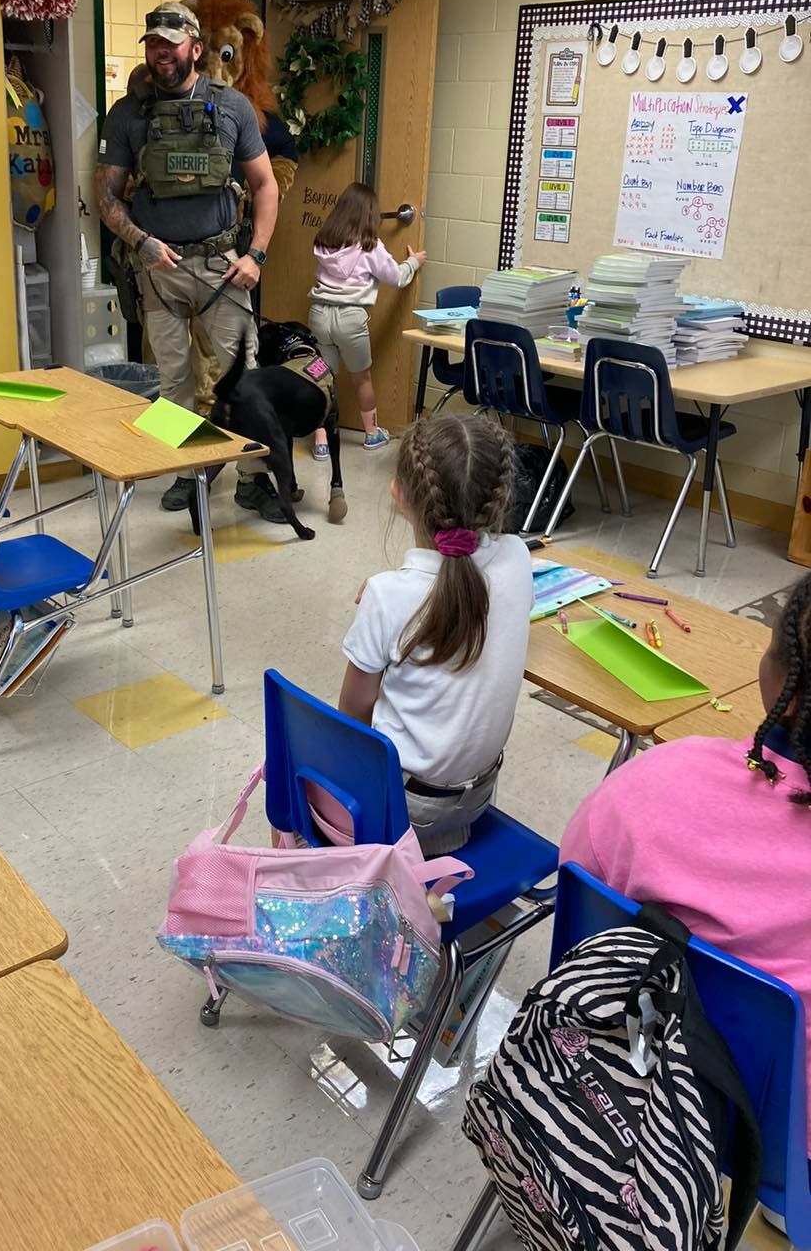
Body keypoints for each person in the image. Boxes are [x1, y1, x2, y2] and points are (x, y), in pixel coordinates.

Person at [561, 572, 811, 1156]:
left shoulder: (656, 777)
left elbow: (578, 900)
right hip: (780, 1143)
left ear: (787, 690)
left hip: (630, 1082)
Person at [94, 2, 280, 516]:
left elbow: (265, 186)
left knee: (242, 372)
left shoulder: (234, 106)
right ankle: (190, 471)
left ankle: (252, 476)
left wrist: (256, 254)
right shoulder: (128, 113)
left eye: (170, 44)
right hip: (159, 271)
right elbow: (107, 197)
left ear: (195, 48)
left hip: (223, 263)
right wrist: (140, 242)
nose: (161, 53)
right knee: (172, 381)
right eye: (153, 44)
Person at [314, 415, 532, 854]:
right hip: (476, 799)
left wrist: (385, 602)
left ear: (398, 494)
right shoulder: (519, 557)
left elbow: (354, 715)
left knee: (289, 760)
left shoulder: (389, 595)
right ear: (500, 498)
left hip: (406, 808)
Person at [307, 182, 426, 454]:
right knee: (361, 378)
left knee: (322, 377)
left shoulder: (324, 242)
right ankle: (372, 434)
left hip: (319, 313)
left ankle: (321, 441)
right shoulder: (370, 246)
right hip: (350, 317)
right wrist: (414, 262)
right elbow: (396, 277)